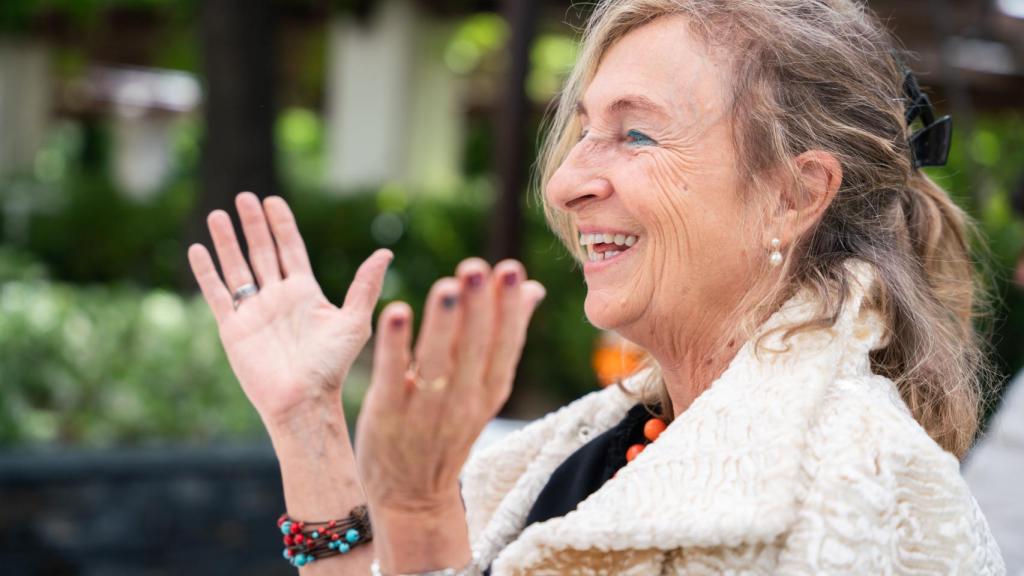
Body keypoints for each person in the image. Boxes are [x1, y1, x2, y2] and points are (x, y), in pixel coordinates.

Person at [188, 0, 1006, 573]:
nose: (567, 181)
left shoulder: (853, 490)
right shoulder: (617, 435)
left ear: (794, 194)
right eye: (584, 130)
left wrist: (420, 516)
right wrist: (308, 423)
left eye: (636, 133)